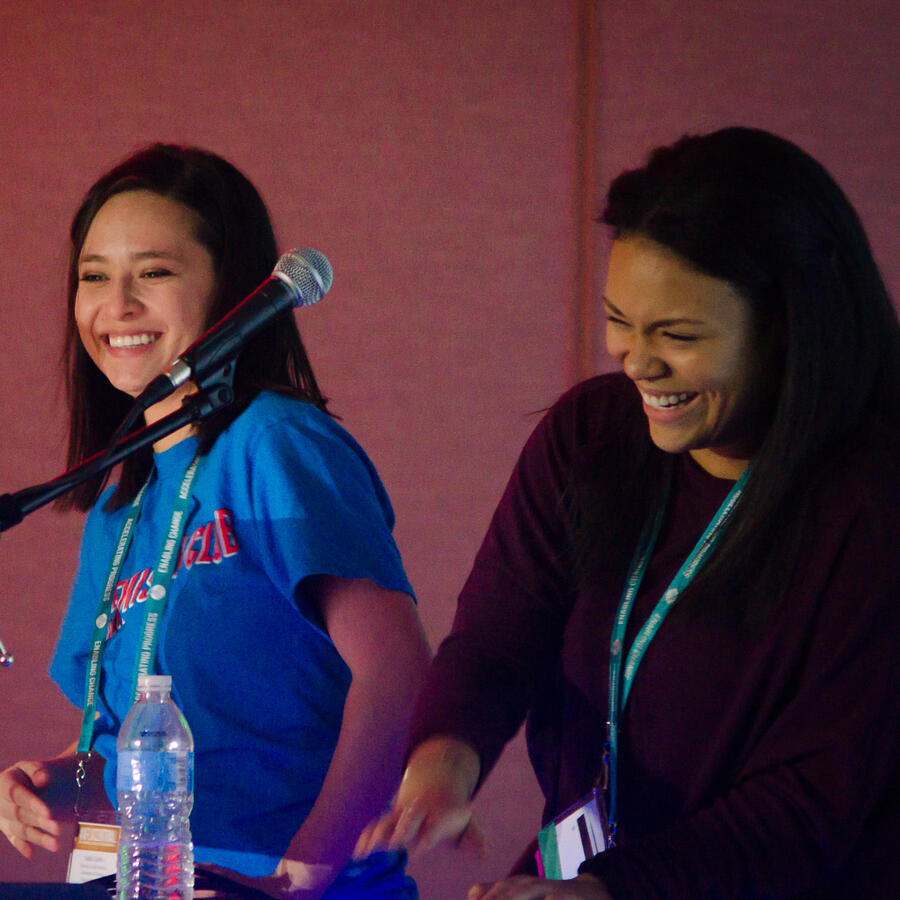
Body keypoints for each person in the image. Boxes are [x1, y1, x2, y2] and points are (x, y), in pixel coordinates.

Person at [355, 127, 900, 899]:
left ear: (786, 329)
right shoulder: (591, 435)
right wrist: (444, 765)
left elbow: (808, 803)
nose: (637, 361)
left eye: (677, 335)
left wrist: (609, 891)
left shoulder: (870, 509)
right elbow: (496, 639)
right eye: (620, 321)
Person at [0, 144, 431, 899]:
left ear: (236, 291)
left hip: (288, 883)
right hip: (157, 880)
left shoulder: (276, 442)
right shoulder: (120, 501)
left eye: (154, 273)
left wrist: (304, 876)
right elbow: (180, 755)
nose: (118, 305)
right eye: (94, 276)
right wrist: (60, 783)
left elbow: (396, 674)